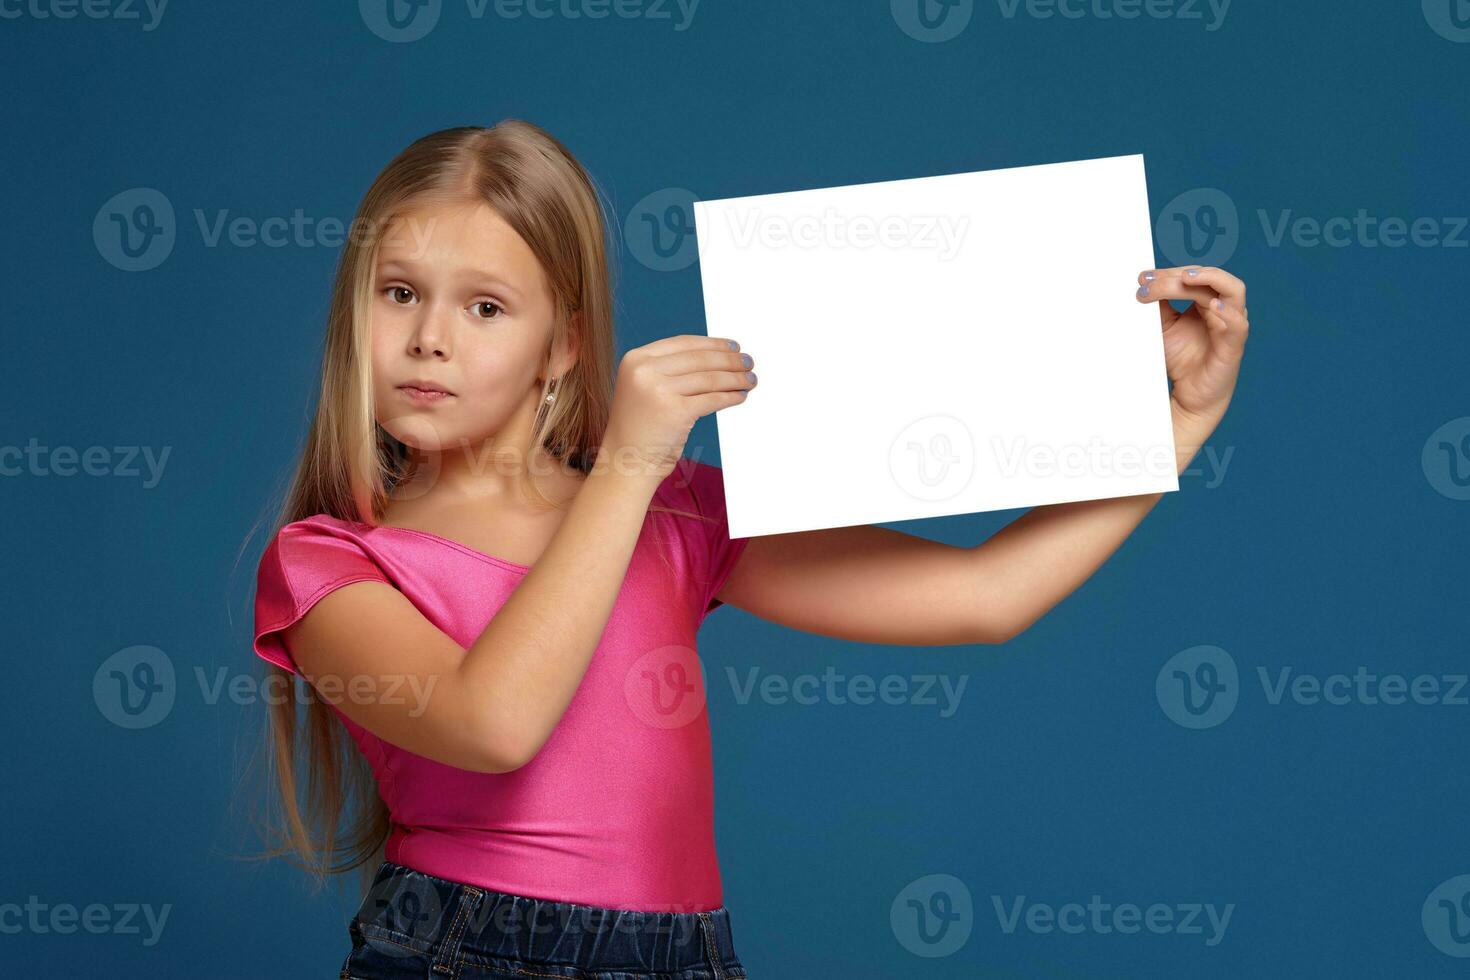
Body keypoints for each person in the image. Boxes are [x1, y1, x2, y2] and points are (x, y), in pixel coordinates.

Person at [247, 119, 1250, 980]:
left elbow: (981, 593)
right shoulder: (330, 557)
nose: (431, 338)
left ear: (563, 344)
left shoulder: (677, 516)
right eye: (398, 293)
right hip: (460, 944)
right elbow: (494, 719)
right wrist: (631, 463)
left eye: (485, 306)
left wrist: (1181, 425)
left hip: (690, 949)